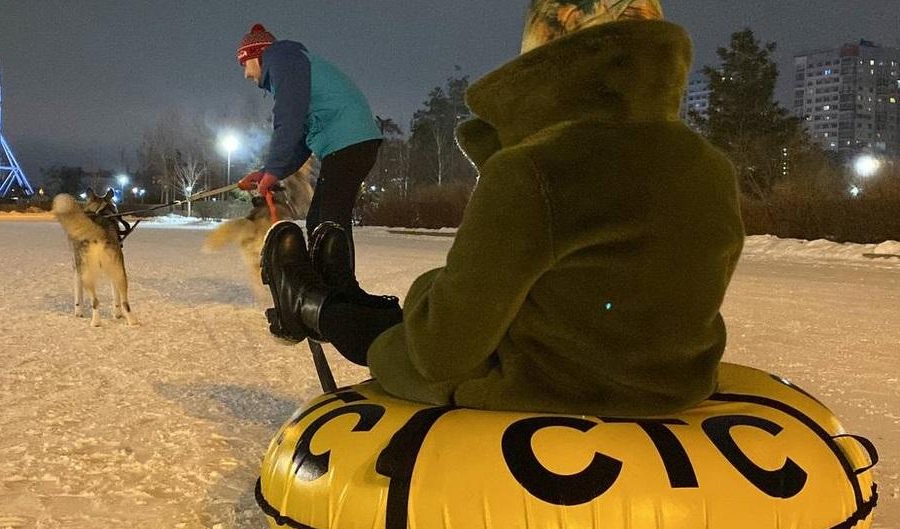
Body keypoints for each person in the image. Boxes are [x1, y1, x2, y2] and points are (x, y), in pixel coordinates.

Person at [261, 0, 746, 417]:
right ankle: (330, 299)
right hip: (670, 385)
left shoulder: (533, 172)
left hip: (546, 386)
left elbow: (442, 350)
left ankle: (312, 306)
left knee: (404, 336)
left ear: (546, 56)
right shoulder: (711, 168)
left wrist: (429, 292)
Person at [235, 23, 384, 303]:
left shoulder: (281, 58)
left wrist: (274, 169)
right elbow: (301, 137)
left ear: (258, 54)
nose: (246, 73)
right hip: (347, 142)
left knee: (329, 222)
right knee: (320, 220)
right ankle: (335, 291)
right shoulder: (291, 65)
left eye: (245, 64)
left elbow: (287, 120)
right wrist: (270, 171)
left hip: (348, 141)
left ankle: (343, 296)